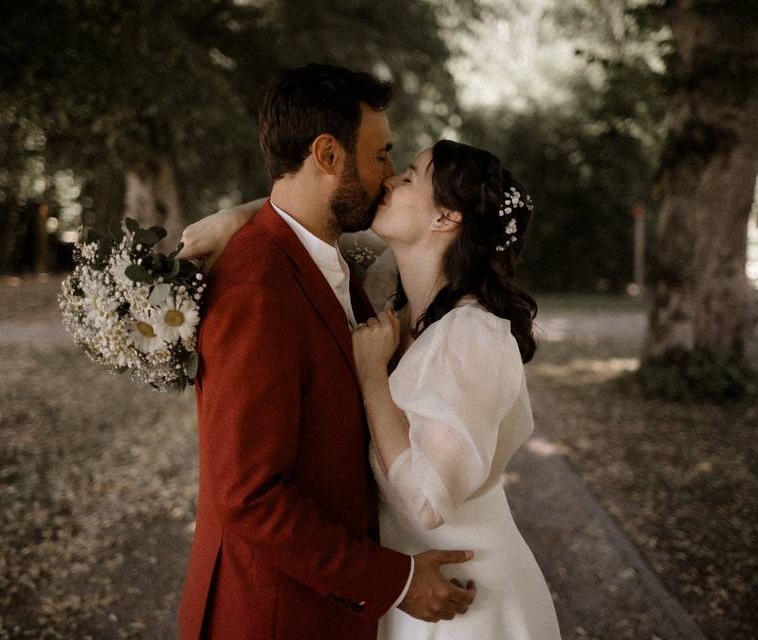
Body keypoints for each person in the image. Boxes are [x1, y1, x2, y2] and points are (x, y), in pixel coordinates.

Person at [181, 135, 562, 638]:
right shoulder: (387, 300)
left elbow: (427, 502)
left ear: (446, 218)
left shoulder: (473, 336)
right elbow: (308, 216)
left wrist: (372, 379)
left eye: (409, 176)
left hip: (463, 596)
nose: (389, 181)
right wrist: (237, 216)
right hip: (399, 599)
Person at [178, 64, 477, 640]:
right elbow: (249, 495)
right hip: (273, 617)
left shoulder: (318, 256)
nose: (390, 176)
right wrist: (394, 581)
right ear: (328, 155)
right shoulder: (256, 289)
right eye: (382, 154)